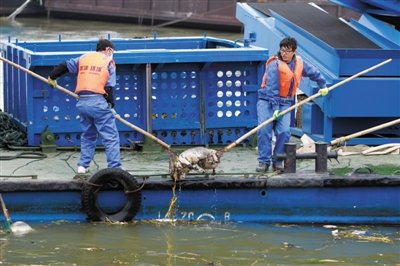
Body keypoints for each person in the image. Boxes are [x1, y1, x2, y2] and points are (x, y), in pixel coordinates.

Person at [48, 39, 122, 174]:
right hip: (99, 102)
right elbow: (109, 87)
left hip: (82, 103)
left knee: (88, 135)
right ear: (108, 50)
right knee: (110, 137)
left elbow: (65, 65)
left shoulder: (84, 58)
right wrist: (111, 106)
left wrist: (51, 77)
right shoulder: (109, 62)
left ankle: (82, 166)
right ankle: (115, 167)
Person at [256, 37, 328, 173]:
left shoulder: (299, 63)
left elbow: (314, 73)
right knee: (264, 129)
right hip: (267, 100)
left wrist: (323, 85)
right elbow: (272, 89)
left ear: (294, 52)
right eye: (282, 50)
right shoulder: (274, 64)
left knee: (284, 132)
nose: (284, 54)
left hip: (285, 102)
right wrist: (275, 108)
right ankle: (263, 161)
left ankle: (277, 160)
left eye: (287, 51)